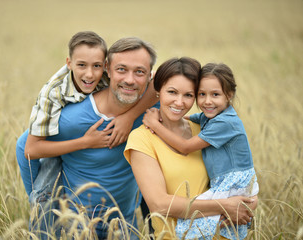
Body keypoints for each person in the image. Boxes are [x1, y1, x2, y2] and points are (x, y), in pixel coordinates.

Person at [16, 36, 158, 239]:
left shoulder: (154, 103)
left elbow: (167, 77)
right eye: (121, 70)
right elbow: (26, 146)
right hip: (77, 224)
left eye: (140, 72)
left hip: (124, 223)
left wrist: (129, 117)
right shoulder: (62, 104)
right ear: (109, 69)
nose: (129, 79)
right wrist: (41, 198)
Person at [124, 58, 258, 240]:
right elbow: (160, 205)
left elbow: (234, 174)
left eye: (188, 95)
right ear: (158, 91)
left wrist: (249, 201)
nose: (179, 102)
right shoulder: (142, 139)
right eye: (172, 92)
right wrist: (225, 205)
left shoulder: (204, 129)